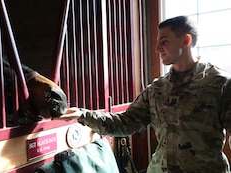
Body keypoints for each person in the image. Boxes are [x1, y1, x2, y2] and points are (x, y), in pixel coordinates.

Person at [55, 16, 231, 173]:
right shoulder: (157, 89)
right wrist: (83, 115)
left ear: (185, 41)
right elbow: (124, 124)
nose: (157, 48)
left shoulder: (220, 84)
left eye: (164, 41)